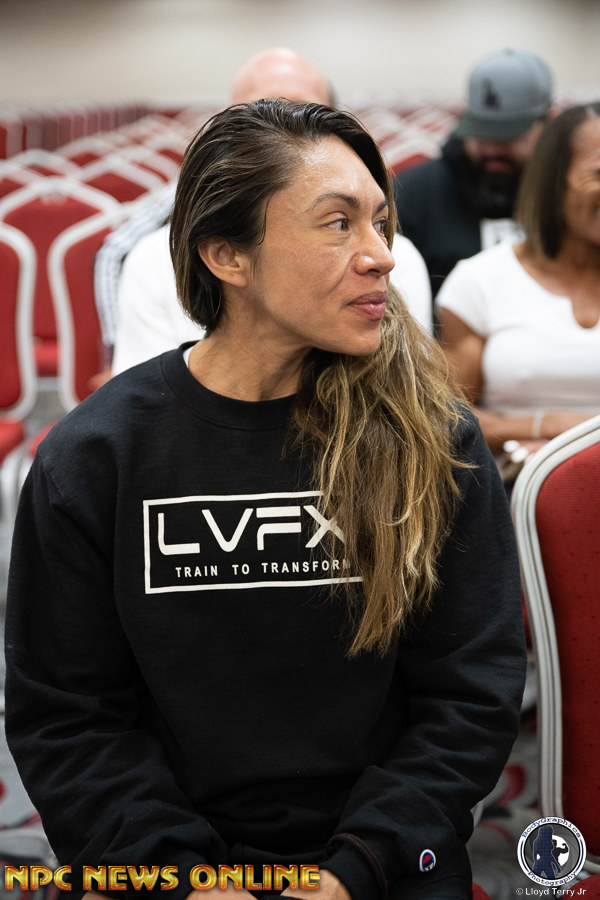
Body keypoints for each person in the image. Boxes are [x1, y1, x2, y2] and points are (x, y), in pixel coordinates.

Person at [5, 100, 526, 900]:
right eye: (338, 223)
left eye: (380, 222)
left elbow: (470, 693)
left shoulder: (432, 439)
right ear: (227, 256)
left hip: (379, 864)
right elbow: (68, 719)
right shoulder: (97, 455)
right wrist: (186, 878)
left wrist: (356, 867)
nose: (381, 255)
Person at [109, 47, 432, 377]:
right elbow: (154, 394)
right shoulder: (152, 259)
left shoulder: (400, 261)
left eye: (380, 223)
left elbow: (407, 385)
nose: (383, 258)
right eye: (258, 115)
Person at [436, 102, 600, 470]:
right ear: (553, 180)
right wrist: (544, 426)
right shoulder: (479, 281)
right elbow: (446, 416)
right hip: (515, 485)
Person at [393, 48, 554, 300]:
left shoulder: (566, 194)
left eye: (508, 135)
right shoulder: (413, 194)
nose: (491, 149)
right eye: (482, 133)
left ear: (548, 124)